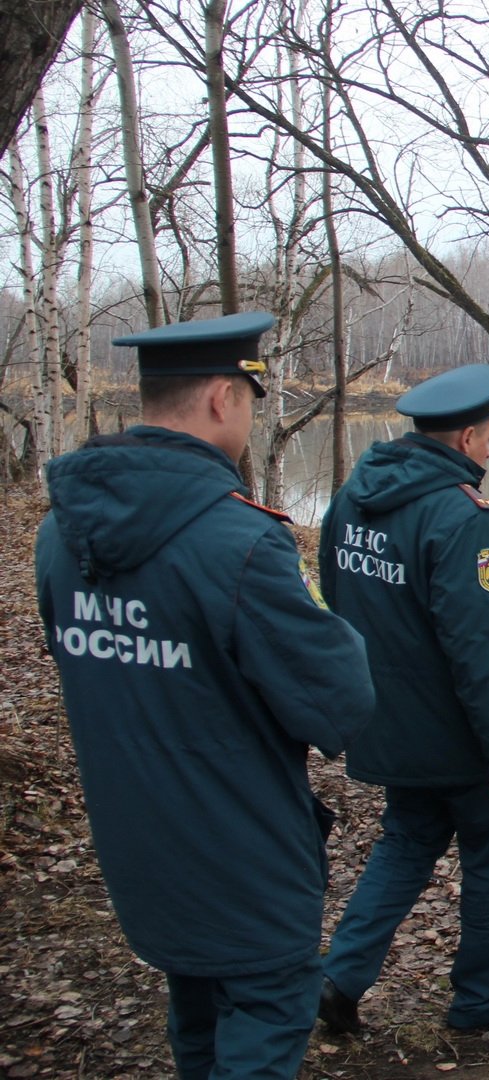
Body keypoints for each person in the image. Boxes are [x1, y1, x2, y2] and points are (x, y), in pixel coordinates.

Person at [33, 312, 376, 1079]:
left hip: (141, 848)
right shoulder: (242, 542)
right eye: (251, 398)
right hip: (243, 856)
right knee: (260, 1019)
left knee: (196, 1011)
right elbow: (340, 704)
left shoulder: (61, 534)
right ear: (224, 398)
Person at [316, 364, 489, 1035]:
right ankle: (483, 1001)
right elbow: (484, 652)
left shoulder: (351, 500)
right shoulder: (461, 516)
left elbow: (335, 600)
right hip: (457, 737)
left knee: (407, 841)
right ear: (463, 438)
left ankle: (339, 977)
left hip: (386, 725)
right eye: (486, 438)